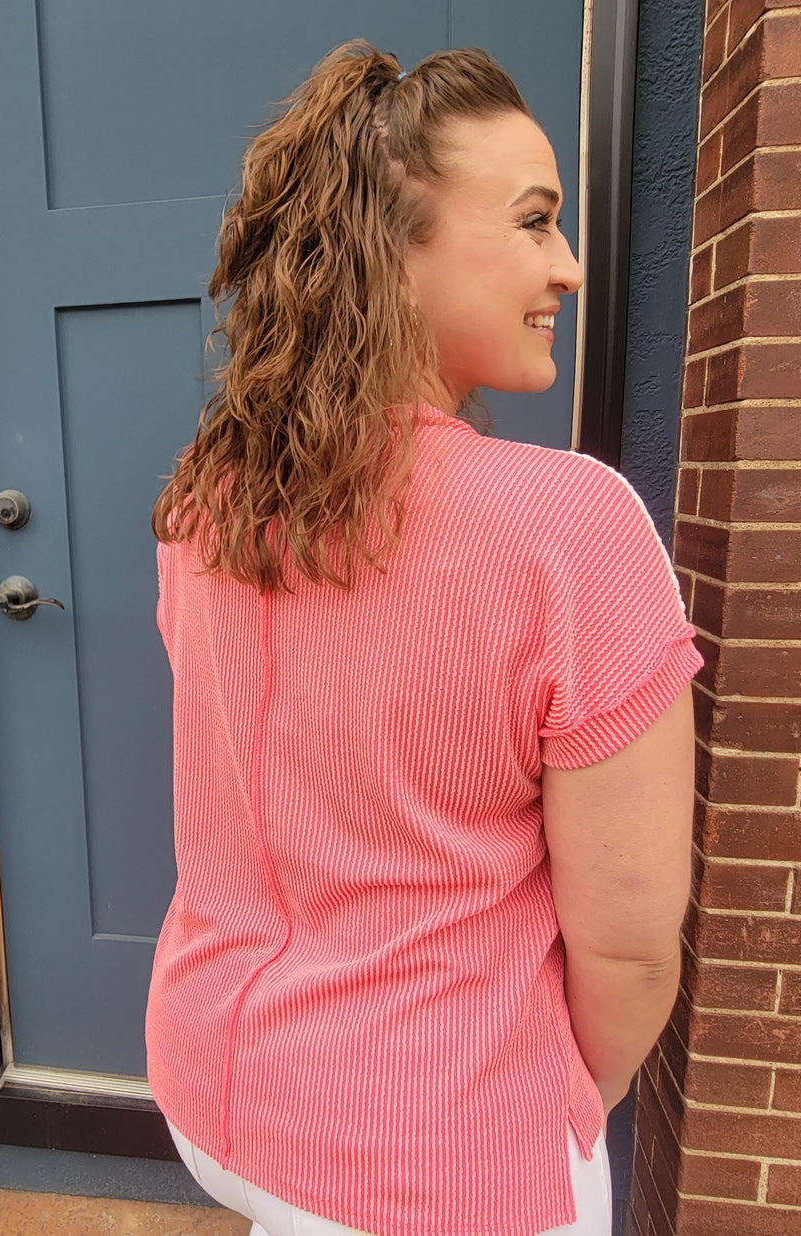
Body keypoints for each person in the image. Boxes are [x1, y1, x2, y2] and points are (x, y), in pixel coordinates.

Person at [147, 40, 701, 1236]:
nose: (568, 264)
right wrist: (559, 1113)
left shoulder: (207, 504)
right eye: (534, 221)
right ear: (392, 255)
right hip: (442, 1159)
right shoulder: (571, 529)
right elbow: (631, 953)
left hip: (218, 1090)